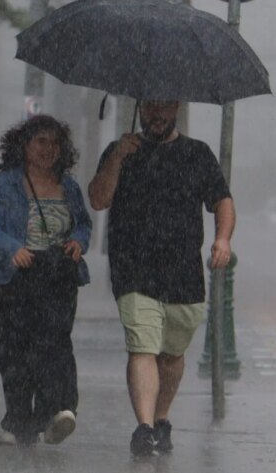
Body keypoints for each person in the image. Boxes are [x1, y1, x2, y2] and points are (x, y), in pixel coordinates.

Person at [88, 100, 235, 457]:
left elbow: (223, 201)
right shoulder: (119, 152)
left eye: (165, 107)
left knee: (171, 355)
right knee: (142, 346)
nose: (157, 114)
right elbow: (98, 199)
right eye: (150, 106)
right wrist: (118, 157)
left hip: (183, 272)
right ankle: (144, 427)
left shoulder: (196, 154)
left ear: (177, 110)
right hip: (133, 269)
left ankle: (161, 418)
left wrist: (222, 239)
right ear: (140, 109)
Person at [0, 114, 92, 447]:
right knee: (12, 351)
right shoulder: (4, 184)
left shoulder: (68, 186)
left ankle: (57, 411)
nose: (48, 149)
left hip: (56, 277)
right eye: (40, 141)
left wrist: (78, 242)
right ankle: (17, 419)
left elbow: (83, 224)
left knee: (53, 344)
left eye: (54, 143)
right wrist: (11, 248)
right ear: (24, 145)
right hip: (11, 279)